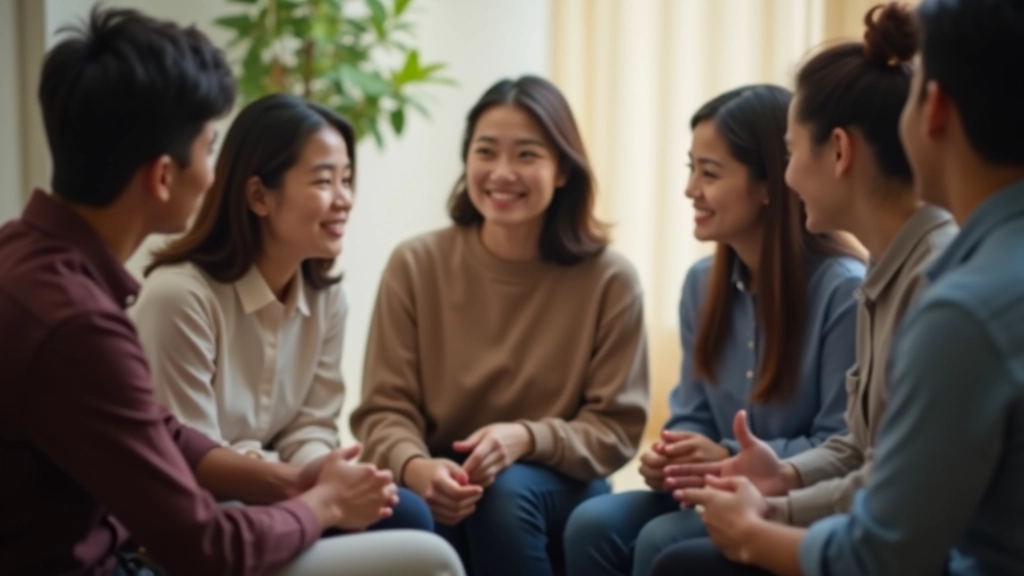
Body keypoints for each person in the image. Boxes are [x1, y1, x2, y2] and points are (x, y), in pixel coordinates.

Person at [0, 8, 462, 576]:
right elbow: (206, 545)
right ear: (163, 176)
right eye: (209, 147)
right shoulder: (79, 321)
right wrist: (322, 503)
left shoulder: (26, 261)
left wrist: (295, 480)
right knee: (432, 559)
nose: (214, 174)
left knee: (407, 523)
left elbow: (163, 432)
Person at [656, 1, 1024, 574]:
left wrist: (758, 528)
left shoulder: (952, 298)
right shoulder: (900, 272)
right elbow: (867, 458)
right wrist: (783, 481)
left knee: (679, 560)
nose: (788, 174)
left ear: (933, 112)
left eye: (789, 152)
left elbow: (885, 548)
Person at [351, 75, 650, 576]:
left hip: (559, 480)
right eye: (485, 152)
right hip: (444, 471)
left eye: (527, 155)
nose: (502, 172)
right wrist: (416, 467)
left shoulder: (609, 279)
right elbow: (384, 409)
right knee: (412, 508)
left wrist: (527, 439)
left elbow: (616, 429)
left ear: (561, 171)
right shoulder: (416, 264)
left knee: (503, 492)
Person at [563, 84, 864, 576]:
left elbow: (844, 445)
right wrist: (673, 457)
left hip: (798, 506)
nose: (689, 189)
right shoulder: (702, 285)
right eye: (691, 169)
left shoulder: (843, 291)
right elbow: (692, 415)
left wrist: (720, 454)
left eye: (709, 172)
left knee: (662, 540)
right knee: (591, 523)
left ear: (771, 183)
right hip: (715, 492)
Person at [130, 92, 432, 532]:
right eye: (324, 181)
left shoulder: (328, 301)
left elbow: (310, 428)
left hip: (285, 493)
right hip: (200, 510)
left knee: (405, 511)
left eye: (347, 179)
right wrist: (302, 484)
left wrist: (331, 473)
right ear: (258, 196)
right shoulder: (179, 298)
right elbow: (188, 455)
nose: (344, 198)